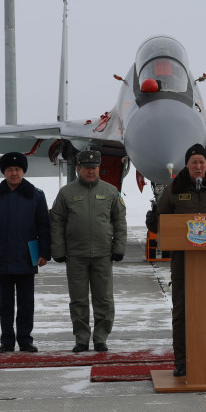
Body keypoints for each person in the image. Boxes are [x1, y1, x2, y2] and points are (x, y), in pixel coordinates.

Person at [146, 143, 206, 377]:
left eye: (201, 162)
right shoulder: (174, 188)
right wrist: (153, 221)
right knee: (181, 309)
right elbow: (161, 219)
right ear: (187, 166)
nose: (198, 167)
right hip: (183, 259)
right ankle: (182, 361)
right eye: (193, 163)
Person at [50, 149, 128, 353]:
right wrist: (58, 250)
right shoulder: (66, 193)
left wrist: (119, 248)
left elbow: (120, 222)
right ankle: (81, 339)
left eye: (94, 168)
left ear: (99, 168)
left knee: (104, 299)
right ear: (79, 169)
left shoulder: (111, 192)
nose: (91, 171)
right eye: (86, 168)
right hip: (76, 256)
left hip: (103, 255)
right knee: (78, 300)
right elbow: (57, 222)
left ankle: (101, 338)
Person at [0, 151, 51, 353]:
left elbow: (44, 227)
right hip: (2, 256)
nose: (14, 173)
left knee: (26, 302)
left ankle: (25, 340)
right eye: (9, 169)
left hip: (27, 256)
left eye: (17, 169)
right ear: (4, 172)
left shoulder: (36, 196)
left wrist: (44, 253)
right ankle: (7, 341)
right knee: (6, 304)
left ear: (23, 171)